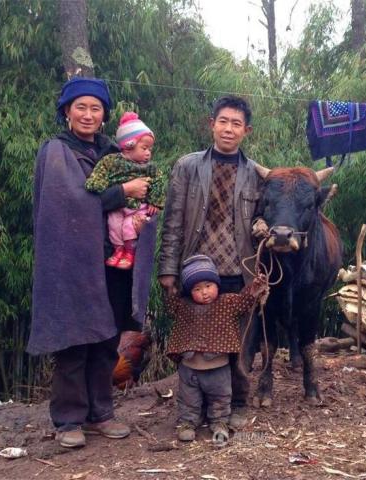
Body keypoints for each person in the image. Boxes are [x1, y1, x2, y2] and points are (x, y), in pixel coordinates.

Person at [27, 77, 153, 449]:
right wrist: (123, 192)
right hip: (72, 263)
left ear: (104, 115)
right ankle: (69, 419)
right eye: (80, 107)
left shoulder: (114, 151)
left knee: (106, 339)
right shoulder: (56, 152)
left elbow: (144, 189)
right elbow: (68, 204)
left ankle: (101, 413)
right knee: (74, 340)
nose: (87, 114)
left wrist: (142, 210)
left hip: (113, 263)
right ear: (66, 112)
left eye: (95, 108)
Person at [158, 95, 263, 429]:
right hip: (196, 272)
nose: (229, 129)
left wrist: (263, 227)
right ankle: (197, 407)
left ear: (246, 130)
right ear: (212, 124)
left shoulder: (256, 173)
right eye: (223, 121)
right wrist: (168, 269)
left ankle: (237, 402)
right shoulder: (187, 167)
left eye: (236, 124)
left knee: (240, 343)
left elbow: (263, 220)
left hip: (238, 271)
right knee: (195, 341)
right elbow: (173, 221)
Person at [165, 255, 268, 442]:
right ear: (189, 292)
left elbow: (245, 301)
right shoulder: (183, 306)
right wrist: (170, 286)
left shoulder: (228, 302)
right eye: (197, 289)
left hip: (218, 368)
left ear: (217, 284)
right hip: (189, 369)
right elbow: (170, 303)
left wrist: (255, 287)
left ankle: (220, 422)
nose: (204, 292)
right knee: (188, 399)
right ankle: (188, 423)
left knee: (221, 397)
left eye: (208, 285)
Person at [86, 112, 167, 269]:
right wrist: (95, 184)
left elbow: (158, 180)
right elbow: (100, 173)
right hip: (117, 206)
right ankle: (118, 250)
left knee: (129, 227)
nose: (148, 153)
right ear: (128, 146)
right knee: (114, 225)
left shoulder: (149, 167)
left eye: (150, 149)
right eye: (144, 148)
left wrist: (155, 201)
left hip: (137, 207)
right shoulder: (111, 161)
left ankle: (130, 252)